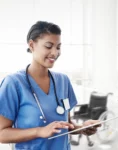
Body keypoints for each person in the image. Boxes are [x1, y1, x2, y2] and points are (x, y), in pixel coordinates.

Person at [0, 21, 99, 150]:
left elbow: (66, 125)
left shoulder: (63, 81)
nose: (55, 53)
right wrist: (39, 131)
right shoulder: (13, 83)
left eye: (58, 47)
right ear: (31, 45)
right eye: (48, 46)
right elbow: (2, 134)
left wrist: (82, 129)